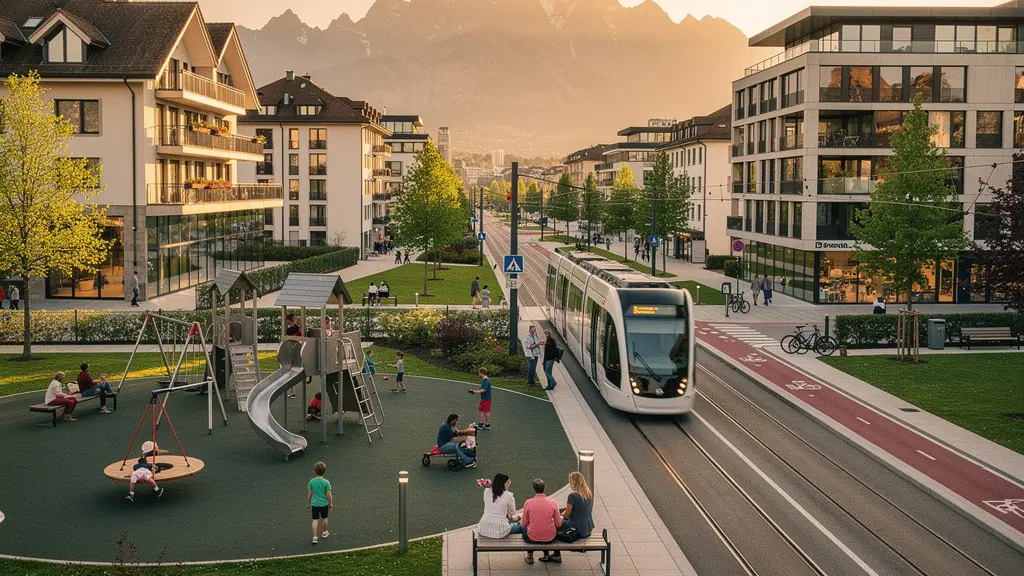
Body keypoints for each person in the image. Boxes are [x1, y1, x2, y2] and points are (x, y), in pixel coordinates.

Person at [540, 472, 594, 563]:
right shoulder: (588, 493)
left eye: (570, 481)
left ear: (573, 482)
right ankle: (555, 554)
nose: (569, 484)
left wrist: (558, 515)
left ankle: (555, 555)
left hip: (577, 528)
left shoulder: (573, 496)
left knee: (553, 524)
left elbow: (566, 516)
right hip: (587, 528)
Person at [521, 478, 561, 564]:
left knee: (525, 529)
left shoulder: (528, 503)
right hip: (550, 537)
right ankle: (551, 554)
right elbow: (558, 524)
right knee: (547, 528)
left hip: (532, 537)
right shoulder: (553, 503)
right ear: (545, 488)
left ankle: (530, 555)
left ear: (534, 489)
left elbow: (523, 523)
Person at [477, 473, 521, 538]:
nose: (509, 483)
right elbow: (513, 514)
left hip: (483, 528)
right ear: (504, 484)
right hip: (500, 531)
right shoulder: (509, 496)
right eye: (508, 482)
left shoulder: (486, 491)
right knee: (519, 527)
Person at [307, 461, 333, 545]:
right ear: (324, 471)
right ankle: (324, 532)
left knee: (315, 520)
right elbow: (329, 494)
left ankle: (315, 537)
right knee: (324, 518)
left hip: (315, 504)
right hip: (324, 504)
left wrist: (309, 503)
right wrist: (331, 503)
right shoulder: (326, 482)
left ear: (314, 471)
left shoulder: (311, 482)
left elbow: (310, 494)